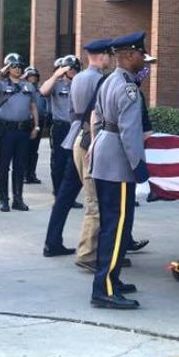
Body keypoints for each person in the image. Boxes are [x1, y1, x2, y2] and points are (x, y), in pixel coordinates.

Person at [89, 32, 150, 309]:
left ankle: (111, 277)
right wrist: (141, 171)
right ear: (128, 55)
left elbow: (100, 120)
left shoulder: (109, 80)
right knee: (116, 227)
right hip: (117, 163)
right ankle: (105, 289)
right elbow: (130, 133)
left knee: (111, 225)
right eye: (140, 54)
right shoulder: (128, 87)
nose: (142, 59)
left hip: (104, 155)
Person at [42, 40, 111, 263]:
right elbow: (98, 113)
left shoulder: (78, 79)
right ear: (103, 56)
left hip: (75, 136)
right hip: (90, 139)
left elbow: (73, 111)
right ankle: (93, 251)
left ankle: (52, 241)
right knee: (98, 198)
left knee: (64, 195)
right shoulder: (101, 80)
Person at [0, 53, 40, 212]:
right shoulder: (1, 84)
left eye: (19, 66)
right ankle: (4, 199)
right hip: (6, 130)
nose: (17, 68)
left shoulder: (28, 86)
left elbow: (33, 106)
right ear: (8, 68)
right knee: (4, 166)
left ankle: (18, 198)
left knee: (20, 166)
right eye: (13, 66)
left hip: (23, 129)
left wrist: (36, 126)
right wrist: (2, 71)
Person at [40, 56, 78, 208]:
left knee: (74, 163)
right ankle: (58, 195)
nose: (73, 71)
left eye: (75, 68)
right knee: (59, 163)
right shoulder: (56, 84)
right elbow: (43, 91)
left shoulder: (80, 84)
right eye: (70, 69)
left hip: (75, 128)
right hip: (60, 127)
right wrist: (56, 75)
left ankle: (70, 197)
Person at [24, 66, 46, 185]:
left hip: (39, 122)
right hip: (28, 121)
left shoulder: (40, 91)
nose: (33, 79)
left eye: (34, 77)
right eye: (30, 76)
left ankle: (32, 174)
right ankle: (24, 174)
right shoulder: (23, 89)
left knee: (34, 150)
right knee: (25, 150)